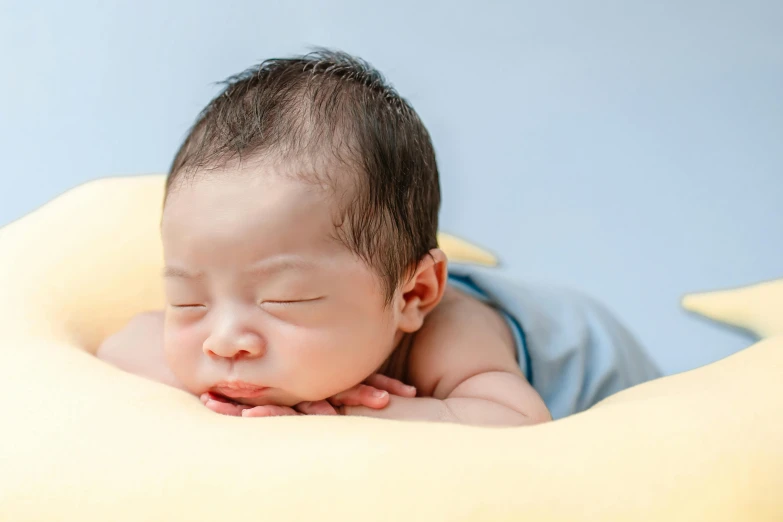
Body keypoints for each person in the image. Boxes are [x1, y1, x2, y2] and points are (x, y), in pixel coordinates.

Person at [98, 49, 660, 426]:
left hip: (593, 356)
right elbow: (121, 345)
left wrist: (373, 417)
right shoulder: (225, 333)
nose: (223, 341)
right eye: (188, 300)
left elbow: (516, 419)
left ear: (411, 296)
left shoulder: (452, 338)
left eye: (284, 300)